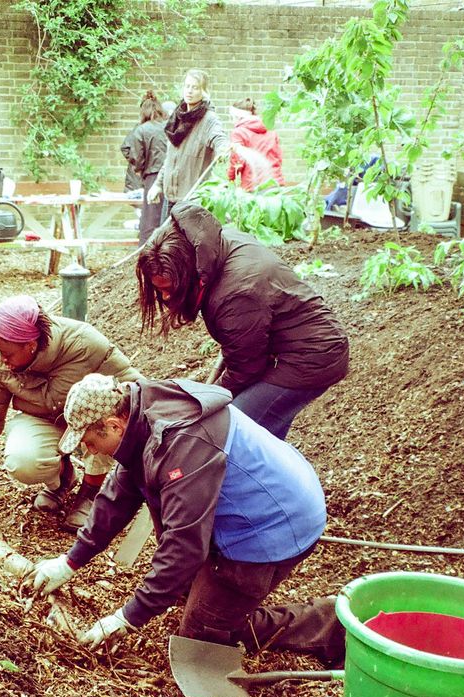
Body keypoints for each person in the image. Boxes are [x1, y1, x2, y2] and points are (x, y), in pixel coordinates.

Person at [27, 373, 345, 662]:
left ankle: (328, 624)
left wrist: (126, 617)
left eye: (91, 442)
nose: (91, 451)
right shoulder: (141, 410)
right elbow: (116, 499)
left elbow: (183, 548)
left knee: (206, 635)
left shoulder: (181, 445)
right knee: (181, 587)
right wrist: (69, 562)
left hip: (276, 523)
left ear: (112, 424)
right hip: (270, 492)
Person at [135, 201, 349, 440]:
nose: (165, 297)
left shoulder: (236, 295)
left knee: (232, 432)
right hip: (287, 347)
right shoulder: (214, 246)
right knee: (260, 431)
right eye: (159, 289)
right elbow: (242, 347)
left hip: (311, 357)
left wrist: (207, 402)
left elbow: (246, 367)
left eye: (170, 288)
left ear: (189, 270)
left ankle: (264, 472)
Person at [0, 296, 141, 531]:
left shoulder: (85, 344)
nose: (2, 359)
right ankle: (62, 480)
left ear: (30, 344)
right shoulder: (0, 365)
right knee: (22, 461)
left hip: (88, 422)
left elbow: (135, 386)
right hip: (43, 420)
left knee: (108, 414)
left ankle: (90, 492)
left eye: (7, 353)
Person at [147, 69, 229, 220]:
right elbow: (170, 159)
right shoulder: (177, 118)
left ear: (204, 92)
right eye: (187, 86)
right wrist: (158, 184)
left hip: (192, 200)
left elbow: (219, 138)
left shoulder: (209, 119)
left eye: (195, 87)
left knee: (184, 244)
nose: (189, 91)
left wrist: (223, 149)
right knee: (166, 243)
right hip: (170, 198)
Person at [120, 91, 169, 245]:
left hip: (153, 178)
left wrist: (139, 168)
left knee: (149, 221)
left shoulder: (141, 129)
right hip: (172, 176)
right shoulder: (169, 127)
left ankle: (148, 257)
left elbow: (136, 158)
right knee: (168, 219)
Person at [227, 98, 284, 191]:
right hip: (275, 183)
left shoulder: (238, 133)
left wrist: (230, 179)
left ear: (237, 117)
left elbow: (237, 161)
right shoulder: (270, 130)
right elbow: (278, 157)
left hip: (254, 185)